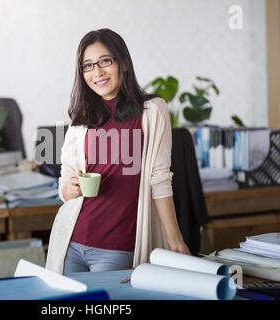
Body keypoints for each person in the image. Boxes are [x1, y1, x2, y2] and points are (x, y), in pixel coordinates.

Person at [46, 28, 190, 274]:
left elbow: (160, 178)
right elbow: (67, 178)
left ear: (123, 62)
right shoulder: (81, 117)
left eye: (104, 61)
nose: (97, 72)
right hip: (71, 240)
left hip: (117, 247)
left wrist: (174, 239)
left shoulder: (152, 111)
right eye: (88, 66)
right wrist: (68, 190)